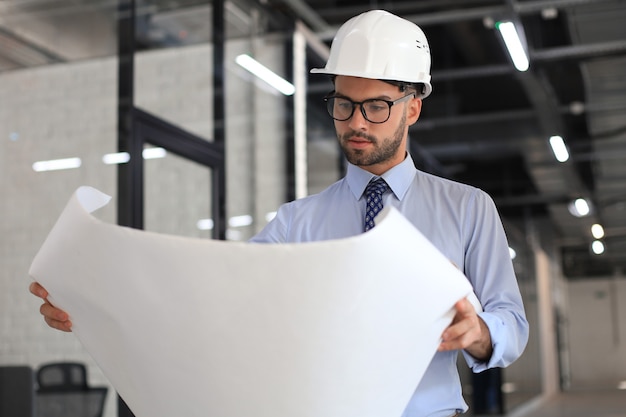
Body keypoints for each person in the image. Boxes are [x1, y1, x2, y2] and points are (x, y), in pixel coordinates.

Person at [30, 9, 528, 417]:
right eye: (343, 104)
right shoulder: (295, 221)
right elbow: (215, 301)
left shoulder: (467, 208)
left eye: (376, 106)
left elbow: (511, 322)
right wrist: (96, 301)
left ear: (412, 107)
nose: (355, 122)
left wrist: (481, 334)